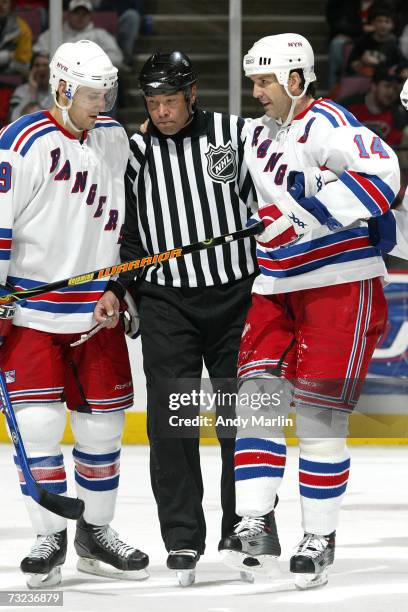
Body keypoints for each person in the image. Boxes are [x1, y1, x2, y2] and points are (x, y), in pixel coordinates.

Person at [218, 33, 400, 589]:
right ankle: (254, 522)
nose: (257, 92)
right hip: (277, 283)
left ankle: (318, 536)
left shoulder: (329, 123)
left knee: (319, 418)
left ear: (297, 78)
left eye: (266, 81)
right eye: (254, 82)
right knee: (255, 400)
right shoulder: (259, 135)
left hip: (339, 284)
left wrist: (310, 215)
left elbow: (384, 176)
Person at [95, 51, 257, 586]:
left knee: (245, 419)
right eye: (153, 102)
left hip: (239, 295)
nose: (162, 111)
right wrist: (120, 283)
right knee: (173, 426)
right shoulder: (137, 150)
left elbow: (267, 207)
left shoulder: (235, 135)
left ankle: (247, 527)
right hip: (167, 304)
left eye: (170, 100)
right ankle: (183, 539)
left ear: (192, 94)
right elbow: (128, 230)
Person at [0, 39, 148, 588]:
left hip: (97, 315)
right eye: (92, 93)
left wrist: (118, 282)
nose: (103, 102)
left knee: (104, 429)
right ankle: (49, 537)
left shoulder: (112, 137)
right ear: (61, 88)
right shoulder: (21, 143)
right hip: (31, 314)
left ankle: (95, 534)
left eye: (108, 91)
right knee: (38, 429)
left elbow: (135, 217)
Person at [34, 0, 123, 68]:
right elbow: (37, 51)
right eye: (76, 13)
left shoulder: (100, 35)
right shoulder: (54, 34)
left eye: (84, 14)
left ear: (90, 17)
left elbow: (117, 57)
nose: (80, 17)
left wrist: (91, 63)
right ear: (68, 15)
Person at [340, 65, 405, 146]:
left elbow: (393, 149)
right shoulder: (348, 106)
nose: (391, 92)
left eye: (395, 88)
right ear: (374, 86)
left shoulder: (398, 116)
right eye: (387, 86)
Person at [347, 4, 401, 77]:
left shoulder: (395, 44)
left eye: (387, 22)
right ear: (373, 23)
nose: (383, 25)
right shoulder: (363, 41)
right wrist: (362, 61)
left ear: (392, 25)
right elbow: (350, 67)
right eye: (379, 21)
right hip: (362, 80)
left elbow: (400, 66)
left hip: (384, 81)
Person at [8, 52, 53, 121]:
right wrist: (32, 91)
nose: (41, 69)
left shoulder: (56, 92)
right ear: (31, 70)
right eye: (37, 65)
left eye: (45, 65)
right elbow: (13, 119)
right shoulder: (21, 91)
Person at [0, 0, 32, 76]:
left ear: (11, 5)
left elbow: (25, 64)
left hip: (11, 76)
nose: (0, 6)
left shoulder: (22, 29)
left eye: (4, 2)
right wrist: (7, 56)